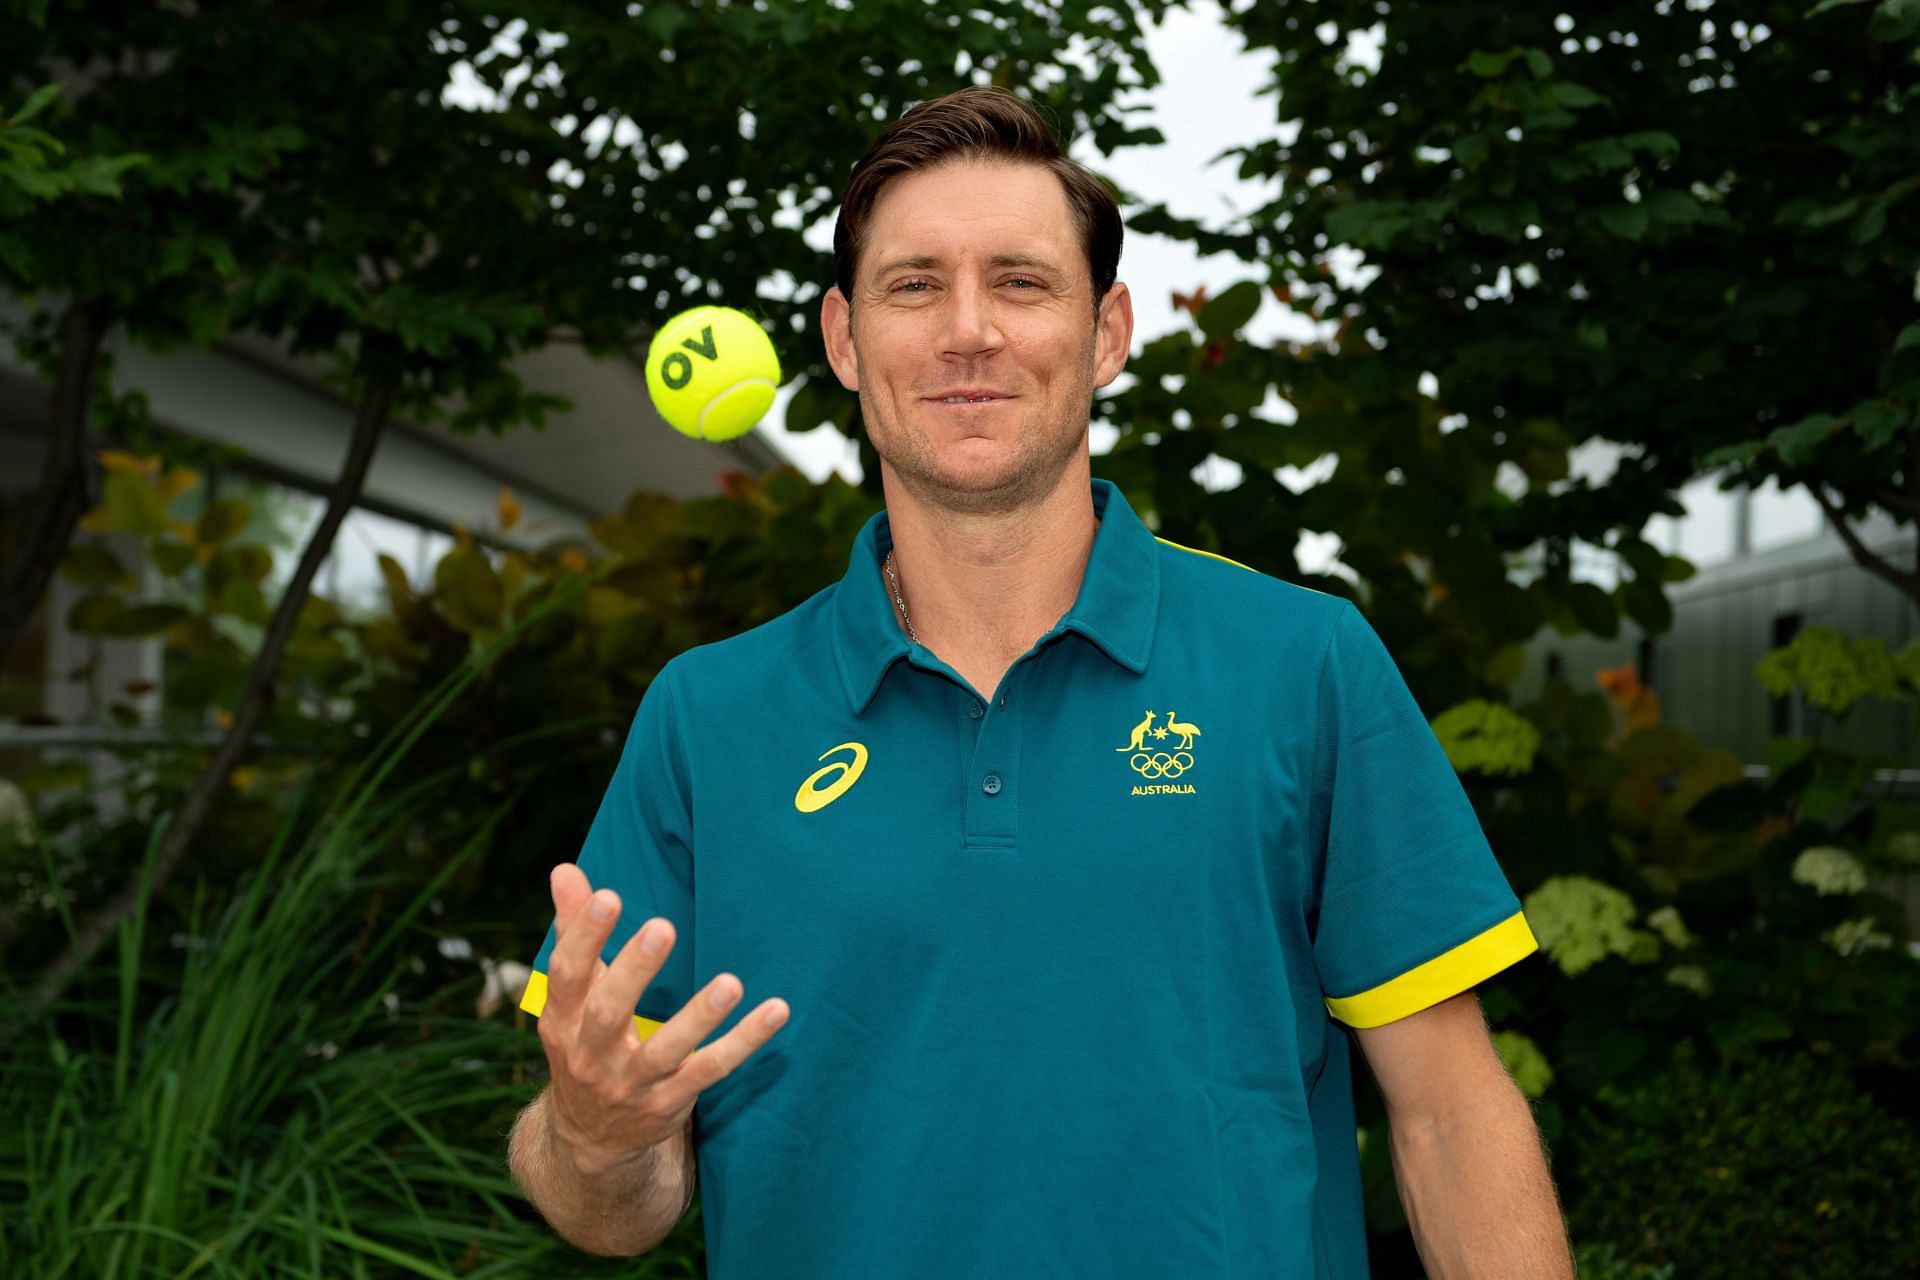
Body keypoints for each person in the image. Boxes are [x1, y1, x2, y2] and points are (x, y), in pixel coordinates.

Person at [506, 85, 1575, 1278]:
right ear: (844, 340)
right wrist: (592, 1137)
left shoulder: (1303, 663)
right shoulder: (709, 717)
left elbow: (1450, 1116)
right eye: (914, 284)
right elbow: (616, 1206)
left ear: (1107, 333)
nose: (970, 330)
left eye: (1020, 281)